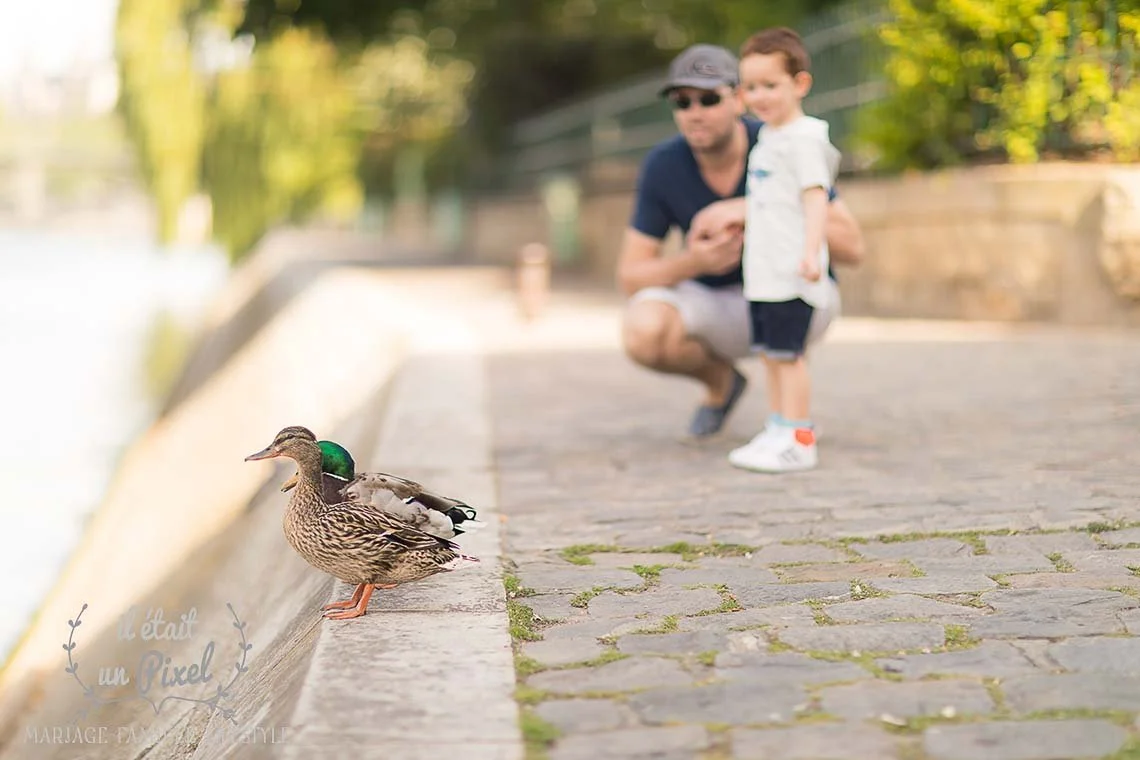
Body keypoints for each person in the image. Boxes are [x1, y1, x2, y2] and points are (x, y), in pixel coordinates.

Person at [616, 43, 865, 440]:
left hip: (793, 290)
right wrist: (695, 263)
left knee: (783, 348)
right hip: (717, 303)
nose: (694, 112)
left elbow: (853, 248)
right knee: (643, 328)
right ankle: (722, 385)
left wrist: (751, 207)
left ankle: (792, 433)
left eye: (709, 99)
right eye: (682, 102)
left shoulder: (781, 143)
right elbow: (631, 277)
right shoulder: (663, 164)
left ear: (739, 99)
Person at [710, 27, 838, 473]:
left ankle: (800, 435)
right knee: (769, 353)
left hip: (790, 271)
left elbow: (816, 197)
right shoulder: (769, 137)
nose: (759, 96)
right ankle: (779, 426)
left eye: (771, 85)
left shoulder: (804, 138)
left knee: (789, 355)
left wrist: (810, 252)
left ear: (799, 84)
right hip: (764, 272)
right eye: (751, 87)